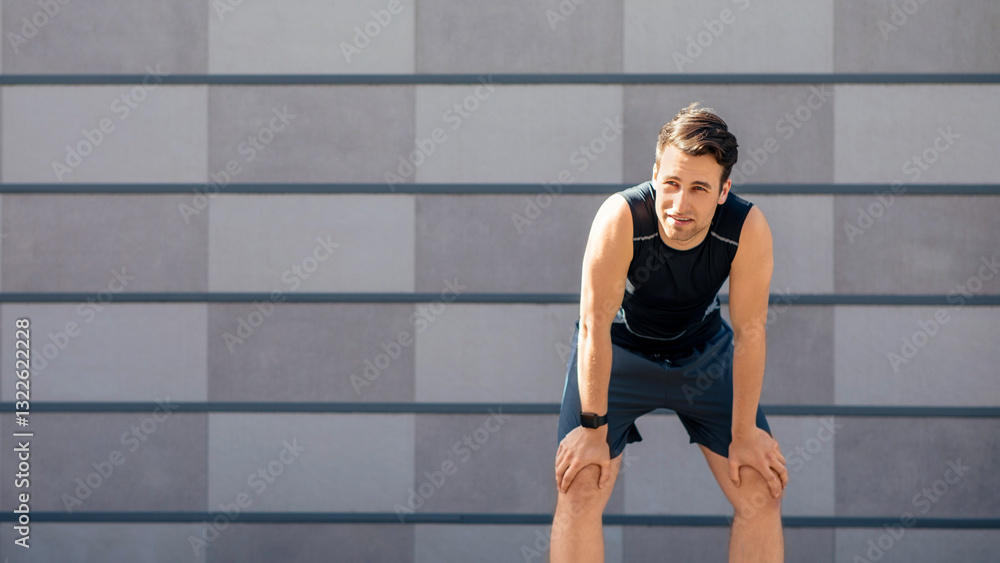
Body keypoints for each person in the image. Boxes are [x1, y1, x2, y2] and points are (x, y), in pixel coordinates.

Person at [551, 102, 788, 562]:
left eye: (699, 188)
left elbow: (751, 333)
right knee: (580, 484)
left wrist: (743, 433)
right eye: (672, 183)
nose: (680, 205)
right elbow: (594, 325)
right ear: (655, 172)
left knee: (760, 488)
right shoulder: (620, 217)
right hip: (618, 355)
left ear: (724, 191)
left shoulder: (746, 227)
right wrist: (592, 428)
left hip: (703, 355)